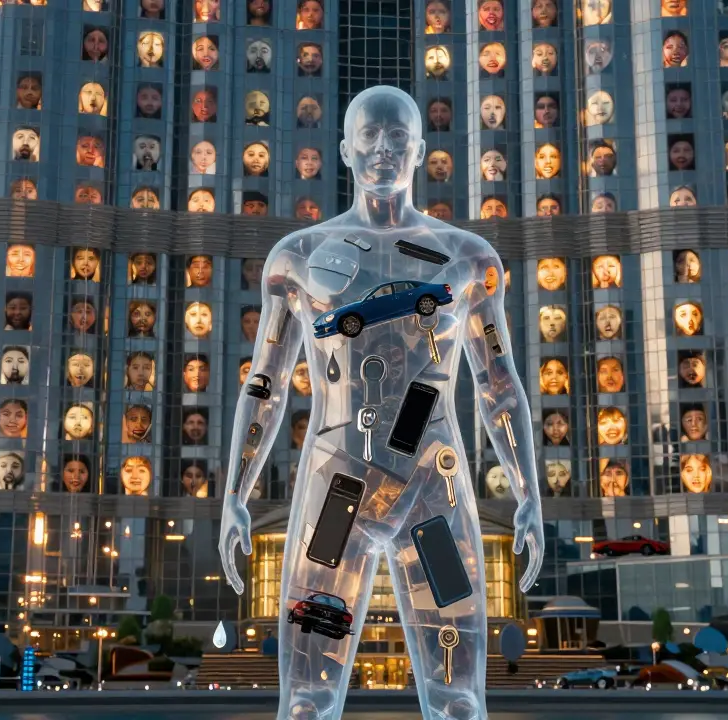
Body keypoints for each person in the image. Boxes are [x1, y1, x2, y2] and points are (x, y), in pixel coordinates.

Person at [218, 85, 542, 720]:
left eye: (398, 138)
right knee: (308, 700)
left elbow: (499, 385)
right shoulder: (299, 260)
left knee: (457, 699)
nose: (384, 150)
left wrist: (528, 489)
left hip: (431, 492)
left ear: (421, 150)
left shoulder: (466, 260)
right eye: (370, 136)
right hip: (339, 487)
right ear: (345, 149)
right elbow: (265, 383)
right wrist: (236, 492)